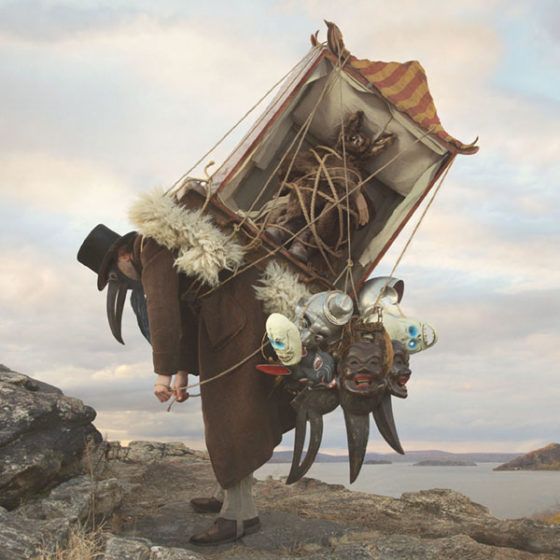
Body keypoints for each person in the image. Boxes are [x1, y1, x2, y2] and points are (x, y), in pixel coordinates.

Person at [77, 223, 295, 545]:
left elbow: (163, 309)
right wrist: (181, 371)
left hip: (237, 325)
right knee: (223, 414)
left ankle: (240, 516)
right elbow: (184, 308)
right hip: (227, 324)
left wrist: (162, 373)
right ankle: (227, 494)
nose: (121, 281)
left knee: (230, 417)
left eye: (114, 274)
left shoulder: (150, 245)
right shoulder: (160, 246)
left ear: (124, 254)